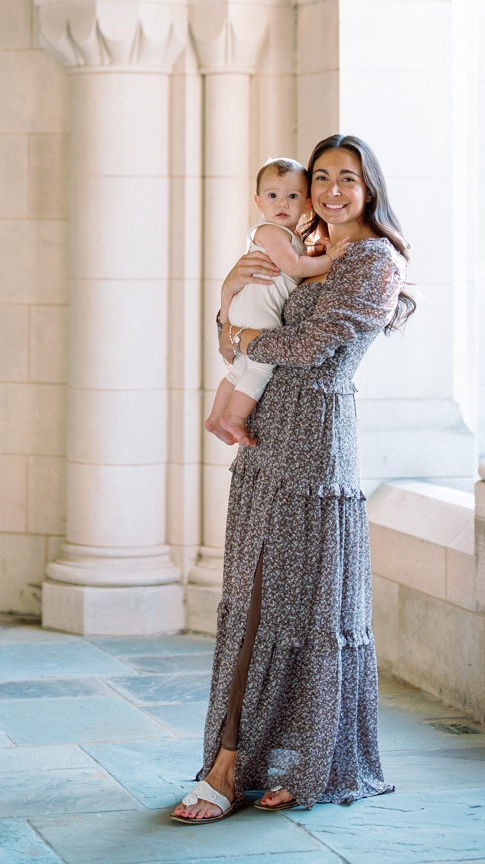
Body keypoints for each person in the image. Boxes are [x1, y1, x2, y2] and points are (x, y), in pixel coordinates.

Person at [173, 133, 414, 824]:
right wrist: (229, 309)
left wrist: (244, 339)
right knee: (254, 598)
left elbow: (310, 349)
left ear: (370, 188)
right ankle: (267, 761)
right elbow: (233, 326)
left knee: (298, 609)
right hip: (267, 436)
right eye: (322, 178)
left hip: (315, 442)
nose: (333, 190)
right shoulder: (306, 243)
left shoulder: (372, 259)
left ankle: (241, 768)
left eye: (348, 178)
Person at [204, 157, 341, 446]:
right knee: (261, 366)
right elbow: (294, 267)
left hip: (247, 310)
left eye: (292, 196)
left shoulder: (288, 237)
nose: (282, 204)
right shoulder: (269, 231)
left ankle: (216, 419)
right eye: (273, 196)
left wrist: (316, 251)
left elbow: (298, 260)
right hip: (258, 313)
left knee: (242, 367)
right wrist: (330, 258)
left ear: (306, 204)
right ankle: (235, 418)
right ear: (258, 202)